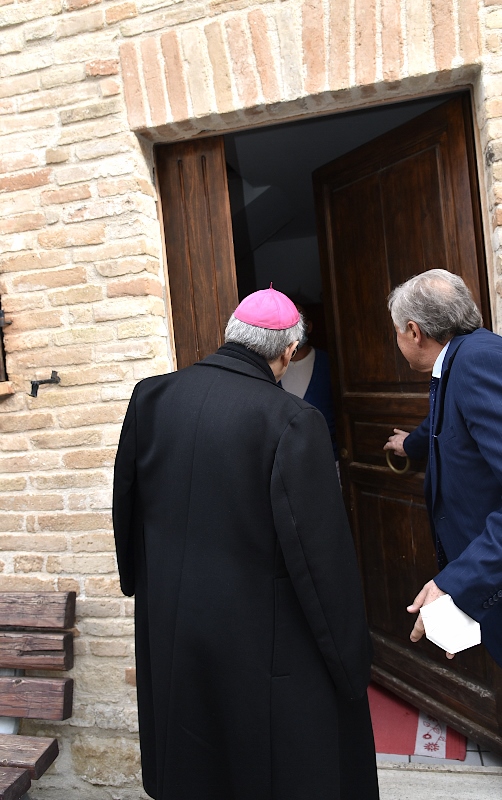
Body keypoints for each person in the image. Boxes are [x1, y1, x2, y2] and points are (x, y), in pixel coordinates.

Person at [113, 285, 379, 800]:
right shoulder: (292, 420)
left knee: (191, 753)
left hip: (171, 617)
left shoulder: (151, 396)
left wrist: (135, 579)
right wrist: (351, 655)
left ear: (232, 334)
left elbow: (126, 499)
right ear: (288, 352)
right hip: (256, 634)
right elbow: (319, 557)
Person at [384, 269, 502, 667]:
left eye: (396, 331)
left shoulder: (477, 362)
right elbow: (448, 421)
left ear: (414, 332)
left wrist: (457, 581)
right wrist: (410, 444)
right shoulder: (461, 357)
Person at [280, 304, 339, 472]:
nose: (294, 328)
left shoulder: (329, 363)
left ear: (309, 326)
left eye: (299, 321)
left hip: (329, 461)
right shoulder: (272, 369)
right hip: (287, 464)